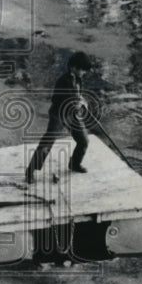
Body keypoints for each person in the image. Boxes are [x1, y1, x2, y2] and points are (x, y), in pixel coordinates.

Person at [26, 51, 93, 184]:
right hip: (58, 115)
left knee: (84, 140)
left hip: (72, 114)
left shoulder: (78, 78)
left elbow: (78, 95)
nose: (84, 73)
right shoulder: (63, 81)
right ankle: (30, 171)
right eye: (82, 70)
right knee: (47, 143)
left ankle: (74, 164)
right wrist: (76, 104)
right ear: (73, 67)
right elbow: (59, 99)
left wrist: (82, 101)